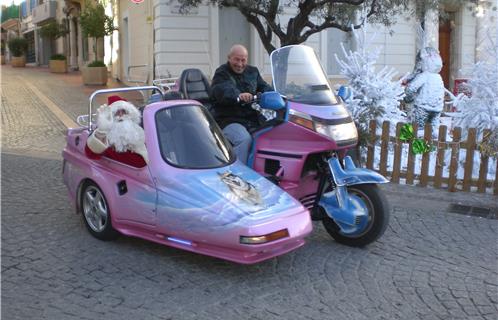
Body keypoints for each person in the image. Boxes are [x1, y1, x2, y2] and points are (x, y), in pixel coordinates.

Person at [210, 44, 272, 164]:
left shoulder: (252, 71)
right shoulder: (221, 73)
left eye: (243, 60)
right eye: (236, 59)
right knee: (243, 139)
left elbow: (264, 86)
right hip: (229, 120)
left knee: (271, 132)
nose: (239, 64)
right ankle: (238, 174)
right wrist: (238, 95)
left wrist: (277, 94)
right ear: (229, 58)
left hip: (252, 119)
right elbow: (223, 89)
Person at [86, 95, 148, 167]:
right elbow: (91, 154)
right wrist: (101, 131)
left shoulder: (137, 130)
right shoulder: (105, 133)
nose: (120, 115)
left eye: (124, 112)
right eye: (117, 113)